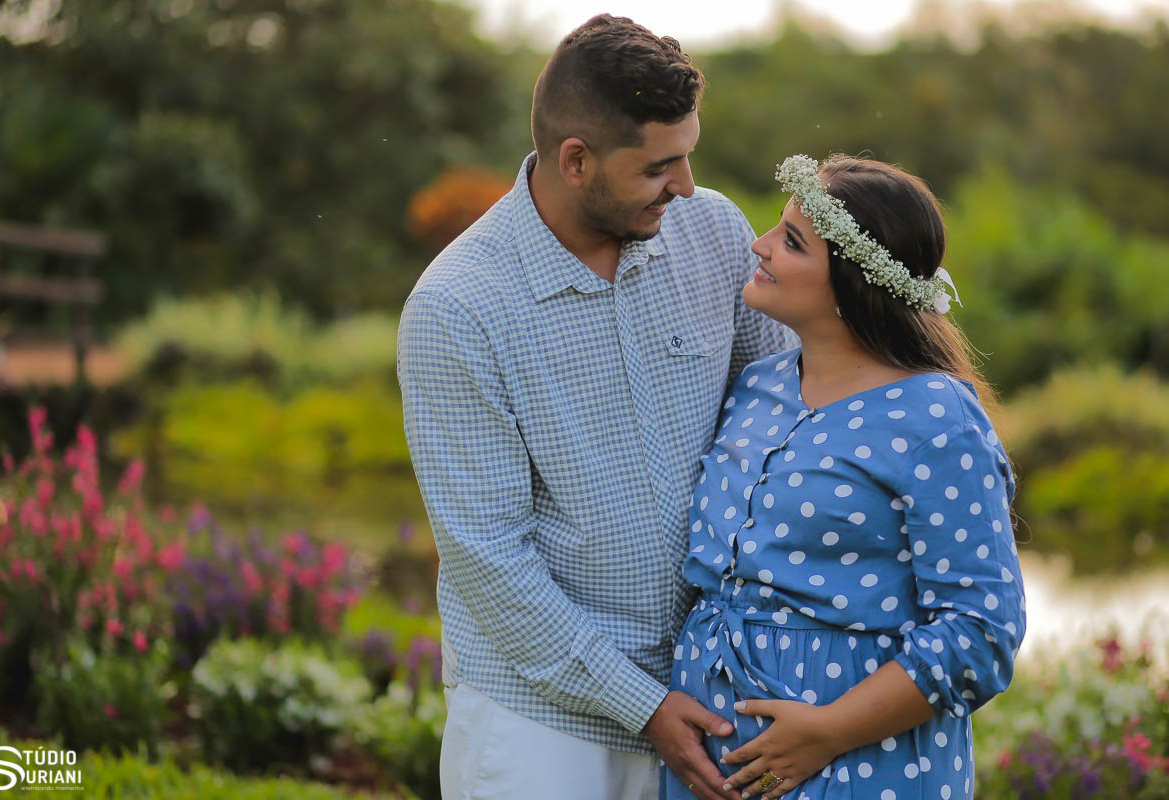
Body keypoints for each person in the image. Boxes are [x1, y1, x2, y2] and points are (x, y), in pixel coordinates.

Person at [396, 14, 795, 800]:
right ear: (576, 161)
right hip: (536, 727)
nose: (685, 185)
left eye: (689, 156)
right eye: (659, 167)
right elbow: (490, 561)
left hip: (710, 693)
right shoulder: (458, 307)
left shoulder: (713, 232)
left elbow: (784, 417)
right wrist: (644, 707)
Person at [662, 154, 1026, 800]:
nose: (761, 245)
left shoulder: (935, 418)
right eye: (778, 227)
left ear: (853, 284)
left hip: (861, 767)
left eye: (792, 242)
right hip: (713, 762)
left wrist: (828, 730)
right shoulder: (758, 386)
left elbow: (981, 631)